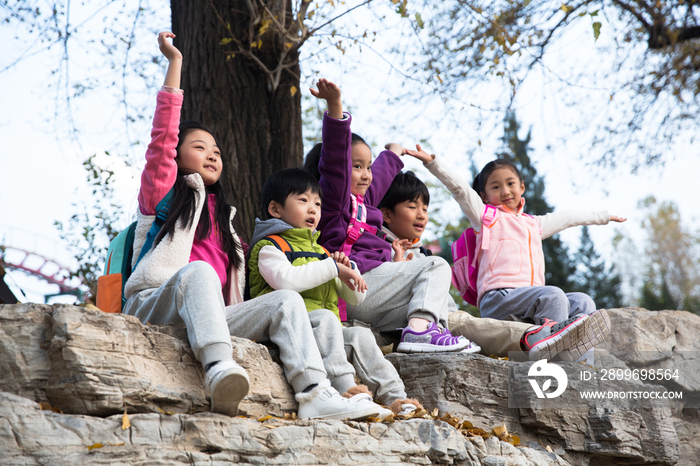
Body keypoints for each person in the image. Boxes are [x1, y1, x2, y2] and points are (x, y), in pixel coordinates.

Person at [123, 32, 383, 421]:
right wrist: (174, 62)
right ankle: (219, 369)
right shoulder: (162, 198)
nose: (212, 153)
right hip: (156, 302)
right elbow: (162, 137)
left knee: (286, 301)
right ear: (176, 157)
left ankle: (314, 393)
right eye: (199, 147)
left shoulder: (229, 226)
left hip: (214, 312)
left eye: (217, 150)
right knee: (198, 272)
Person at [404, 146, 624, 362]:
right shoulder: (485, 217)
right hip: (499, 299)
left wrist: (603, 216)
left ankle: (580, 360)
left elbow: (568, 218)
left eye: (510, 184)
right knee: (553, 295)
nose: (505, 191)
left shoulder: (534, 224)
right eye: (496, 187)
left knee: (582, 302)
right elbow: (460, 189)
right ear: (484, 195)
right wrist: (433, 162)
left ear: (522, 187)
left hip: (530, 301)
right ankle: (553, 358)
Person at [304, 78, 474, 354]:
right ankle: (420, 334)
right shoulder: (334, 203)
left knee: (434, 299)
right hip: (353, 285)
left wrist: (393, 154)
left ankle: (432, 334)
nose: (366, 174)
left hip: (373, 293)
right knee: (435, 266)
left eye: (367, 166)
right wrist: (335, 106)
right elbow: (336, 157)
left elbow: (381, 177)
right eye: (357, 166)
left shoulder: (364, 203)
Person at [247, 167, 424, 417]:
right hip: (289, 328)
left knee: (360, 336)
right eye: (303, 200)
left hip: (324, 329)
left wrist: (347, 272)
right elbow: (287, 281)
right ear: (276, 209)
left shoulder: (320, 252)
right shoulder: (270, 247)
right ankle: (347, 390)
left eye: (317, 204)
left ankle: (398, 399)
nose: (312, 209)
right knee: (326, 318)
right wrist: (331, 267)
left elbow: (355, 298)